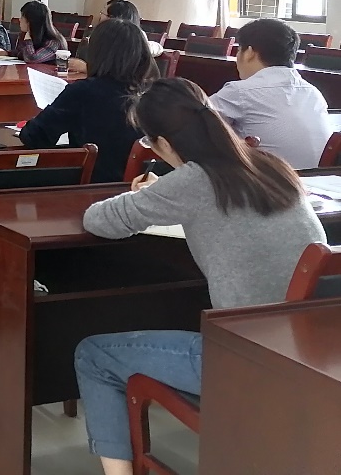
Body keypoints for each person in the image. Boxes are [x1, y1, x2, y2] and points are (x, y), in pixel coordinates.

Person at [73, 78, 324, 475]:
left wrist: (143, 196)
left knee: (93, 355)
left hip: (244, 361)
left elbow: (99, 220)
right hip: (308, 354)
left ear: (163, 144)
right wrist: (163, 192)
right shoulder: (270, 166)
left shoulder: (192, 182)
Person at [19, 18, 153, 182]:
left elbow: (34, 137)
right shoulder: (152, 94)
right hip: (141, 188)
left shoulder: (84, 91)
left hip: (90, 187)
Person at [209, 18, 331, 169]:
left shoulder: (240, 92)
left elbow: (191, 120)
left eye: (239, 50)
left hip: (266, 181)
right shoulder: (314, 93)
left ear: (249, 53)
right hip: (316, 180)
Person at [68, 0, 163, 75]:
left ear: (114, 19)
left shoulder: (135, 42)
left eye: (103, 13)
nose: (99, 17)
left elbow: (118, 72)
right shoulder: (100, 36)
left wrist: (87, 68)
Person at [0, 0, 67, 63]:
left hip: (48, 74)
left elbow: (32, 59)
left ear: (30, 21)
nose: (19, 20)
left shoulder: (54, 42)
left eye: (22, 17)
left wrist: (28, 41)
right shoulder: (28, 35)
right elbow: (20, 53)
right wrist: (3, 52)